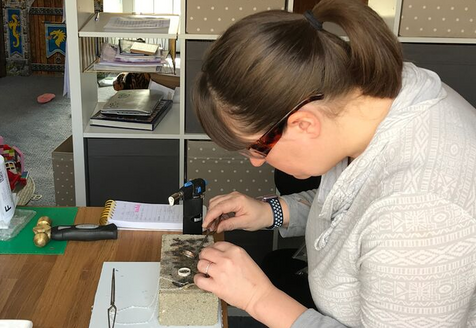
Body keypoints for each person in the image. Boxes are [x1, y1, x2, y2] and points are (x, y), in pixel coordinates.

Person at [191, 0, 476, 327]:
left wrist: (258, 298)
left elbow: (385, 210)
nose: (256, 164)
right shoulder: (377, 100)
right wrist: (272, 211)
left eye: (257, 148)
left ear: (303, 124)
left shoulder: (420, 212)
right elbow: (356, 204)